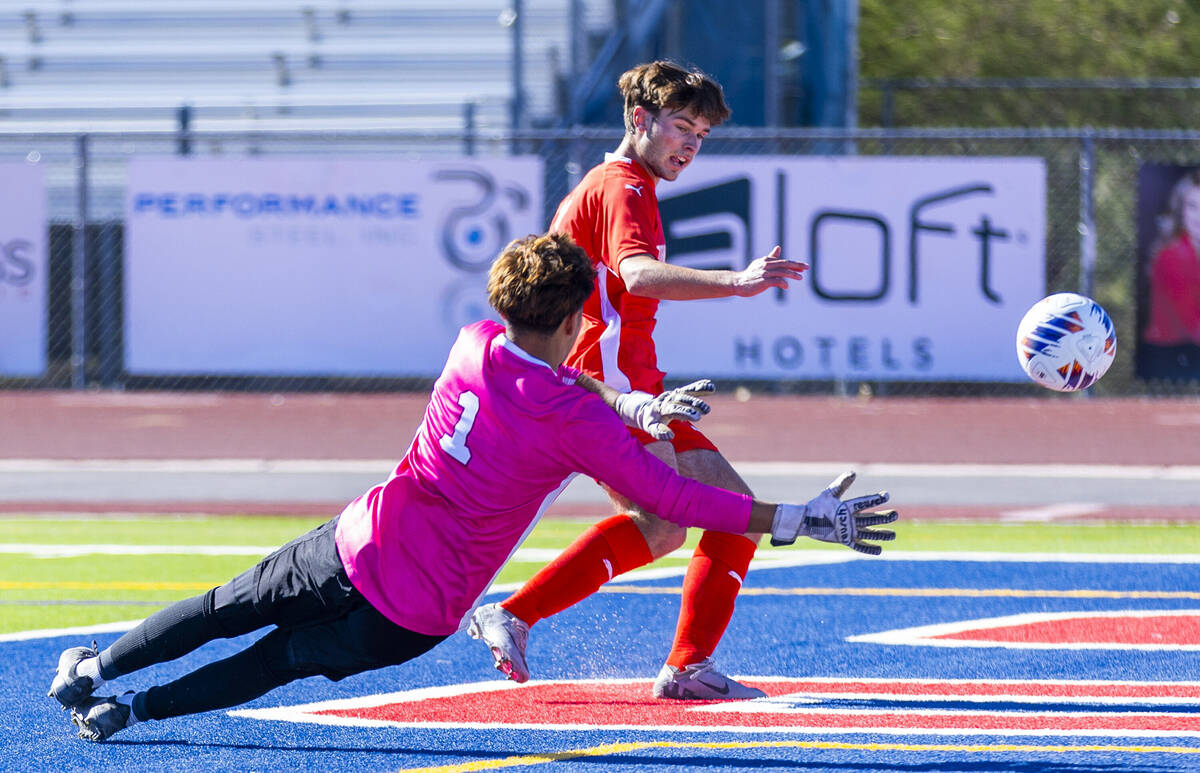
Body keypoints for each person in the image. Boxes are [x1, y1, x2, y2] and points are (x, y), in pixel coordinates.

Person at [50, 233, 896, 742]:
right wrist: (793, 515)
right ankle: (133, 713)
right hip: (412, 612)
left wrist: (628, 398)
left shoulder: (474, 341)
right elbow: (672, 501)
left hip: (357, 543)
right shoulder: (575, 416)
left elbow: (550, 374)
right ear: (573, 324)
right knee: (272, 666)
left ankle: (95, 667)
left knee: (219, 608)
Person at [468, 60, 812, 700]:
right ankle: (513, 614)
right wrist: (737, 282)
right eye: (682, 126)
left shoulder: (619, 184)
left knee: (731, 519)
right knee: (664, 523)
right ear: (639, 119)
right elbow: (639, 275)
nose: (691, 145)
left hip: (642, 387)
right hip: (613, 387)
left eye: (702, 135)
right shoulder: (622, 185)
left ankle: (685, 666)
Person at [1142, 168, 1200, 377]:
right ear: (1181, 211)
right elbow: (1191, 323)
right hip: (1170, 355)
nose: (1198, 216)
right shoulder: (1171, 257)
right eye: (1193, 207)